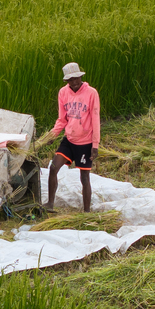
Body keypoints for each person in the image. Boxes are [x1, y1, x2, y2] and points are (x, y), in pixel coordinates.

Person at [39, 62, 100, 212]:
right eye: (71, 80)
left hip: (85, 142)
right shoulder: (63, 93)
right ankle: (50, 204)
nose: (74, 82)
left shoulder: (91, 93)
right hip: (69, 139)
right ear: (66, 81)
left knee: (84, 178)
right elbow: (62, 119)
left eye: (77, 78)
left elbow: (95, 119)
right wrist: (52, 135)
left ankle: (86, 212)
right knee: (53, 168)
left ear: (80, 77)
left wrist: (95, 145)